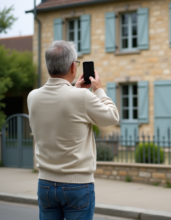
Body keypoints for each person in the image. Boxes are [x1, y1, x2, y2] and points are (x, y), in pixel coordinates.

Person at [27, 40, 119, 220]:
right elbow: (112, 116)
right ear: (72, 67)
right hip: (77, 186)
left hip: (45, 184)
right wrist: (98, 90)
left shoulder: (33, 97)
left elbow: (59, 105)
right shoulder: (82, 97)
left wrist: (74, 89)